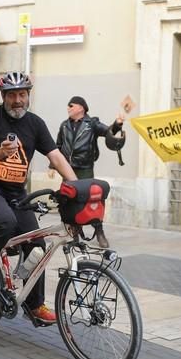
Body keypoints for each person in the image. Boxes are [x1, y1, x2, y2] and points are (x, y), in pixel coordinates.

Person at [0, 71, 78, 325]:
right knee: (4, 221)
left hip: (16, 191)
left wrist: (75, 183)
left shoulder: (34, 123)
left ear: (28, 96)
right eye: (12, 95)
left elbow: (56, 156)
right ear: (3, 96)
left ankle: (34, 304)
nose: (18, 100)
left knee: (37, 246)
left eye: (22, 94)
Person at [48, 95, 126, 248]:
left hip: (85, 168)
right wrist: (52, 166)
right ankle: (73, 233)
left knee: (92, 201)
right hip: (67, 168)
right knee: (67, 201)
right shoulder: (64, 125)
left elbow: (108, 131)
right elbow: (57, 147)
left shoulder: (92, 124)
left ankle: (99, 232)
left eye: (71, 105)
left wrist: (117, 124)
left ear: (81, 108)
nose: (68, 108)